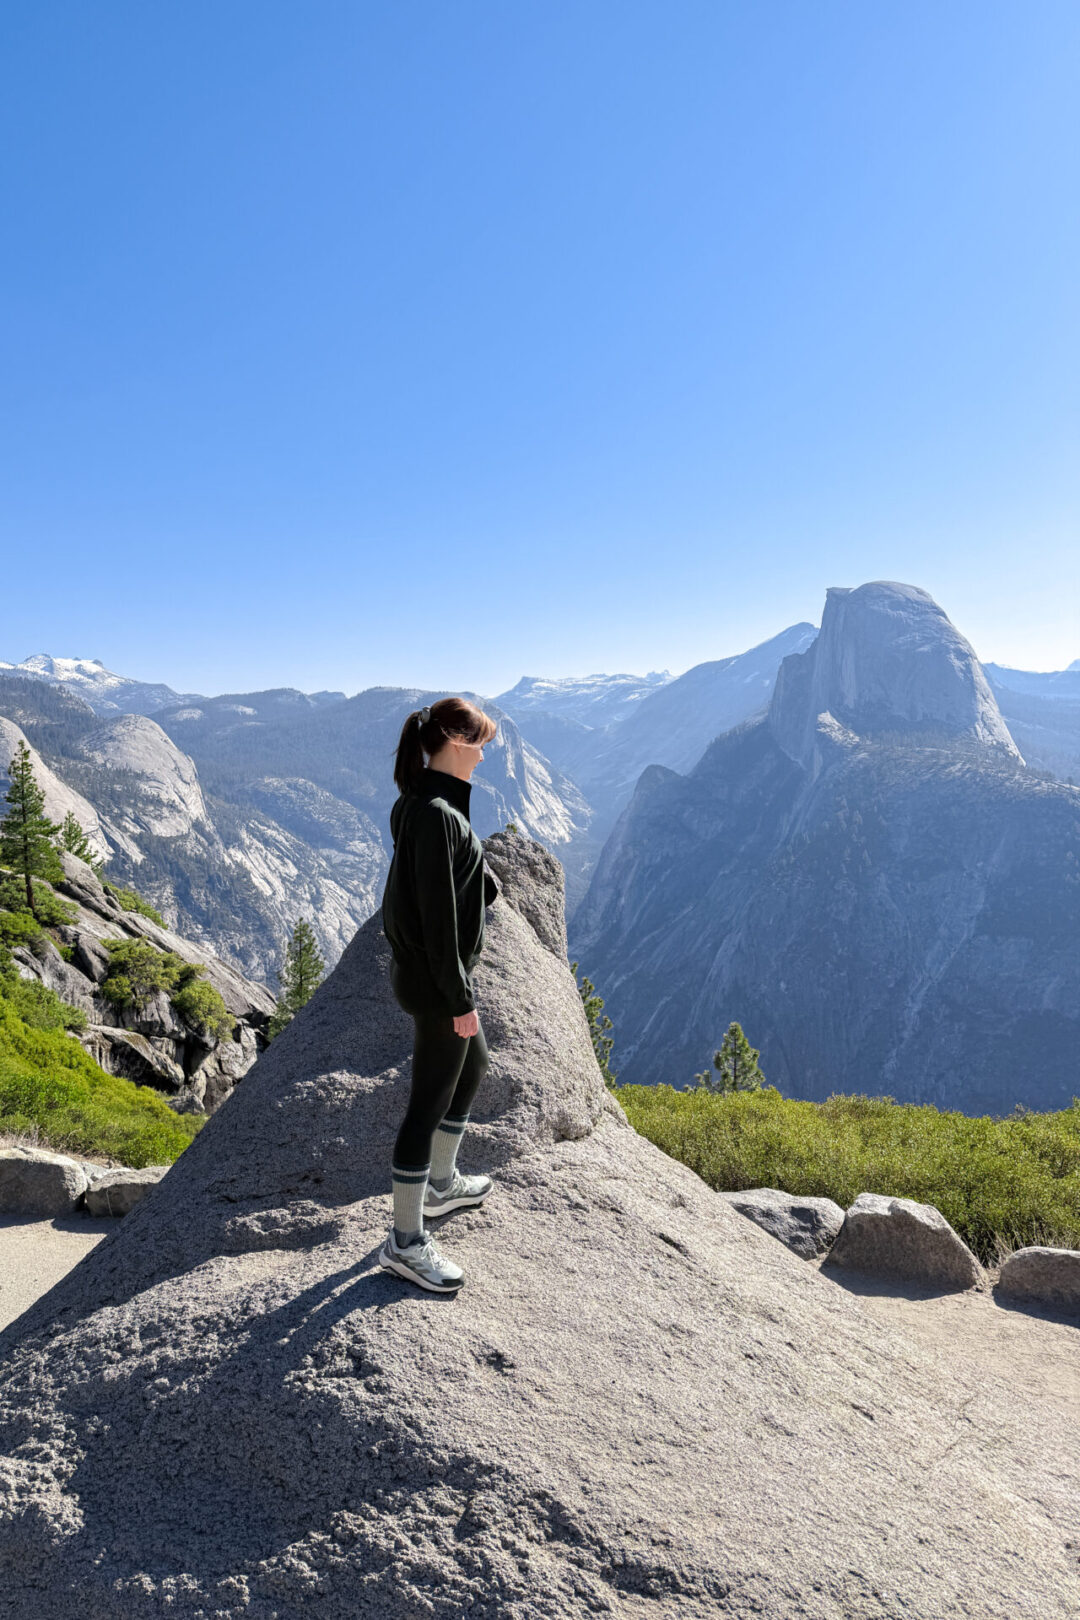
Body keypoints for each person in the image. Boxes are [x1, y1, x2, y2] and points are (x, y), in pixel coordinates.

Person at [377, 696, 502, 1293]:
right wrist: (459, 1001)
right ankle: (404, 1242)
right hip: (434, 983)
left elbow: (444, 870)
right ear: (454, 739)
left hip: (432, 977)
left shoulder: (429, 805)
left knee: (473, 1065)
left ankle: (442, 1186)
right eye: (479, 742)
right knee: (426, 1103)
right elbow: (438, 921)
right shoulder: (433, 814)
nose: (484, 754)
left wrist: (483, 876)